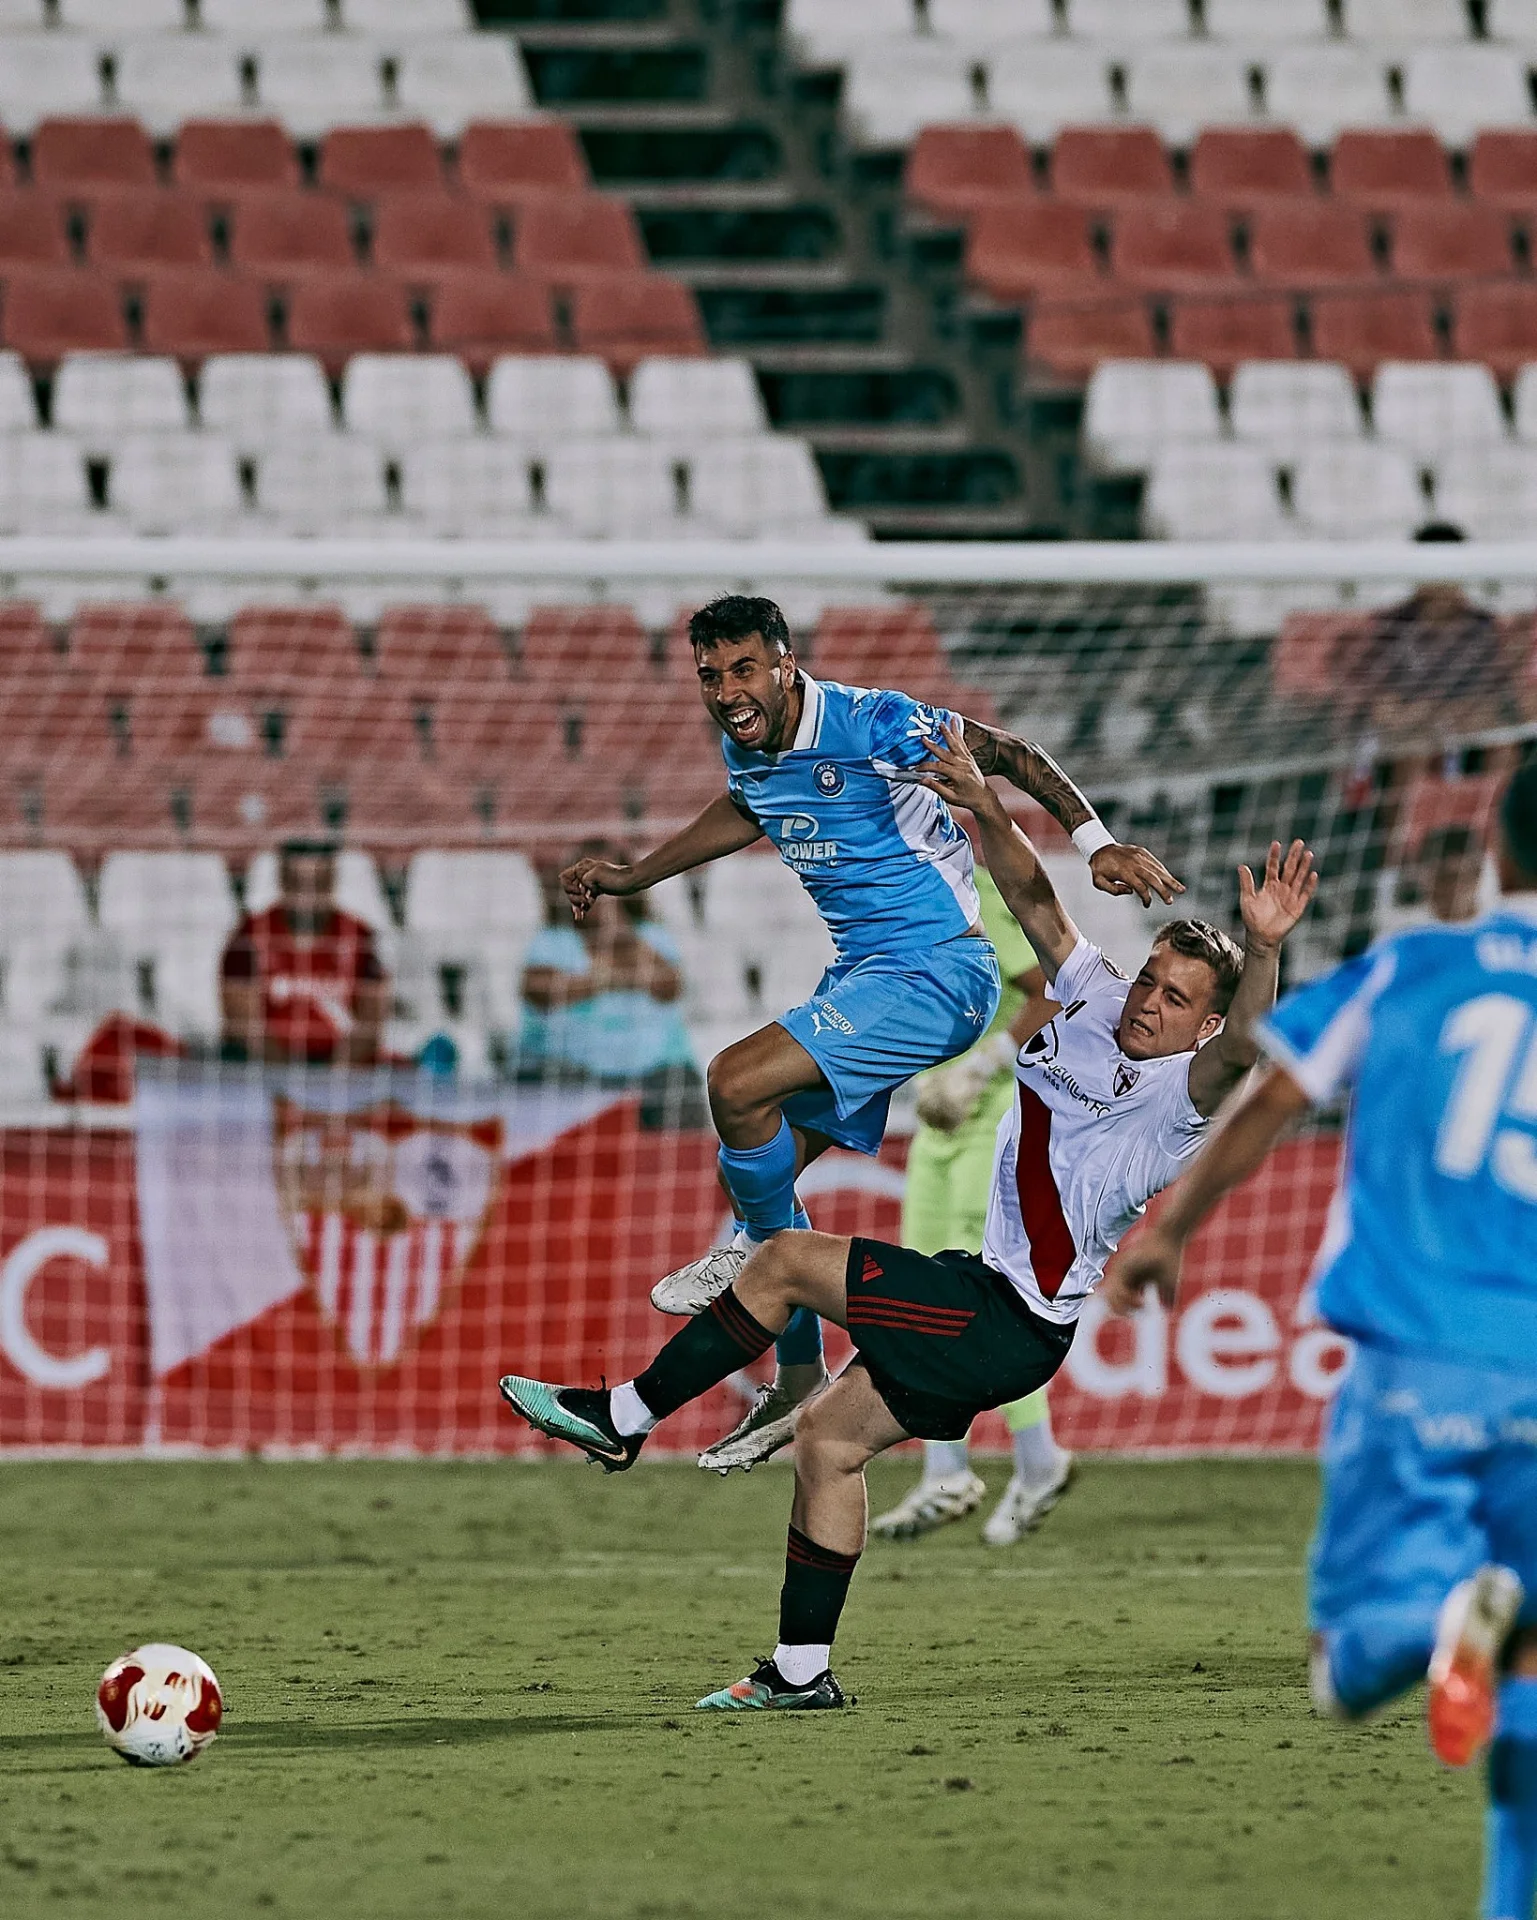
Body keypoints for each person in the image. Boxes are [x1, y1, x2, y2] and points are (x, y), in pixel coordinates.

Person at [500, 723, 1316, 1709]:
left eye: (1175, 998)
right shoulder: (1097, 1000)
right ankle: (800, 1674)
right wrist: (982, 801)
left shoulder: (1185, 1094)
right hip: (985, 1297)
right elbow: (1032, 900)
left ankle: (622, 1417)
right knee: (826, 1445)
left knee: (783, 1260)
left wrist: (1263, 947)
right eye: (1149, 979)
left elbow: (1250, 1045)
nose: (1148, 1002)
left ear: (1206, 1023)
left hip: (1009, 1319)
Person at [559, 594, 1182, 1473]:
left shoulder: (873, 721)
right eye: (710, 675)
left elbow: (1011, 753)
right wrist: (633, 877)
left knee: (733, 1081)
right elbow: (747, 806)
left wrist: (1094, 843)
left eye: (744, 669)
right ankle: (795, 1372)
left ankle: (749, 1256)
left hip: (936, 972)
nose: (727, 691)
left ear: (786, 663)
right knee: (757, 1159)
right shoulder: (749, 744)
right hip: (864, 976)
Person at [1106, 762, 1537, 1920]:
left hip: (1417, 1358)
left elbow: (1270, 1096)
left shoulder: (1410, 967)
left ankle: (1448, 1614)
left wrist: (1168, 1233)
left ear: (1496, 852)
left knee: (1346, 1670)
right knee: (1530, 1677)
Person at [871, 863, 1073, 1546]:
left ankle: (1038, 1458)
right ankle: (945, 1469)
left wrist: (982, 1066)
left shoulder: (970, 885)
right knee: (919, 1291)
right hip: (937, 1120)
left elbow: (1047, 992)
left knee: (981, 1295)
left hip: (994, 1114)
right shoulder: (890, 889)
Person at [517, 839, 706, 1128]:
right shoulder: (552, 940)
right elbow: (540, 991)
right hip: (571, 1071)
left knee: (680, 1089)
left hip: (655, 1072)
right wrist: (619, 978)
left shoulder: (652, 936)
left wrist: (615, 930)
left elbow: (667, 986)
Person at [220, 839, 388, 1067]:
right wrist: (290, 1077)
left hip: (340, 1071)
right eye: (297, 883)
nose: (308, 895)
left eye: (318, 883)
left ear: (331, 882)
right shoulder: (250, 935)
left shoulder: (359, 936)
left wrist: (331, 1076)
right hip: (265, 1070)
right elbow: (243, 1027)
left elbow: (370, 1025)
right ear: (282, 881)